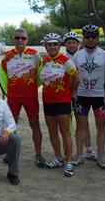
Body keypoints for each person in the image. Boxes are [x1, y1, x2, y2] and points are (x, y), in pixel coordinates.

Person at [0, 28, 45, 167]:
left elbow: (41, 73)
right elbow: (3, 74)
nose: (20, 40)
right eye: (17, 38)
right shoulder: (7, 56)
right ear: (14, 39)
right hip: (13, 96)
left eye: (23, 38)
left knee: (34, 124)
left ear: (27, 39)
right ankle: (10, 153)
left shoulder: (35, 55)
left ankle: (38, 154)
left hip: (30, 96)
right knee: (12, 126)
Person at [71, 25, 105, 169]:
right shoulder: (78, 55)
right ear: (84, 38)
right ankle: (79, 155)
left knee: (100, 127)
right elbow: (73, 76)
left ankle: (101, 158)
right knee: (80, 126)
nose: (90, 39)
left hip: (99, 96)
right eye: (87, 36)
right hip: (82, 95)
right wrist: (72, 94)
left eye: (93, 36)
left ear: (97, 38)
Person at [39, 33, 80, 177]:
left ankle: (69, 161)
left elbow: (76, 79)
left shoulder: (65, 60)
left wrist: (70, 93)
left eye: (55, 44)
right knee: (52, 131)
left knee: (65, 132)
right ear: (45, 46)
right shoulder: (44, 61)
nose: (52, 47)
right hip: (47, 100)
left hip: (62, 100)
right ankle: (58, 157)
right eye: (49, 44)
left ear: (59, 46)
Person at [63, 31, 99, 161]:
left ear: (78, 44)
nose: (71, 45)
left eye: (74, 42)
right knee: (68, 123)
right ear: (65, 44)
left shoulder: (82, 55)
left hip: (82, 93)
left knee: (83, 123)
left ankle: (89, 148)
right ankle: (69, 151)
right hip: (68, 94)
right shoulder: (62, 56)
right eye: (69, 43)